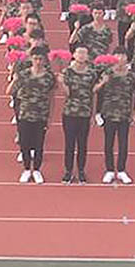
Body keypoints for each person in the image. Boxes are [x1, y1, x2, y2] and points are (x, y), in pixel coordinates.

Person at [9, 47, 55, 183]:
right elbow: (9, 91)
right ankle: (26, 168)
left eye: (40, 59)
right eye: (35, 59)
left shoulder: (49, 77)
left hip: (41, 114)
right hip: (25, 113)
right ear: (31, 59)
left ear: (44, 60)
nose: (38, 61)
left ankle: (37, 170)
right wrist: (14, 79)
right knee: (25, 143)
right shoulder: (23, 74)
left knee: (39, 143)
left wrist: (50, 118)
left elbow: (52, 98)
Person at [96, 49, 135, 184]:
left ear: (127, 58)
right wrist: (103, 82)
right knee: (109, 143)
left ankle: (122, 170)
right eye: (117, 56)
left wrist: (132, 112)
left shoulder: (131, 75)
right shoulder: (107, 73)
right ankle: (110, 170)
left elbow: (132, 94)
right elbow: (96, 90)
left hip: (124, 113)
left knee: (123, 143)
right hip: (109, 112)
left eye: (123, 56)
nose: (120, 58)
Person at [57, 47, 96, 183]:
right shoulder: (67, 72)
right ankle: (68, 171)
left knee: (82, 144)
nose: (81, 55)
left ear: (87, 56)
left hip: (85, 113)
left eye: (84, 53)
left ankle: (81, 170)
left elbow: (93, 94)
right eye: (79, 52)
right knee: (69, 144)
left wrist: (93, 114)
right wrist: (62, 83)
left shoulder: (92, 73)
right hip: (70, 113)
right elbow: (66, 93)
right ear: (74, 55)